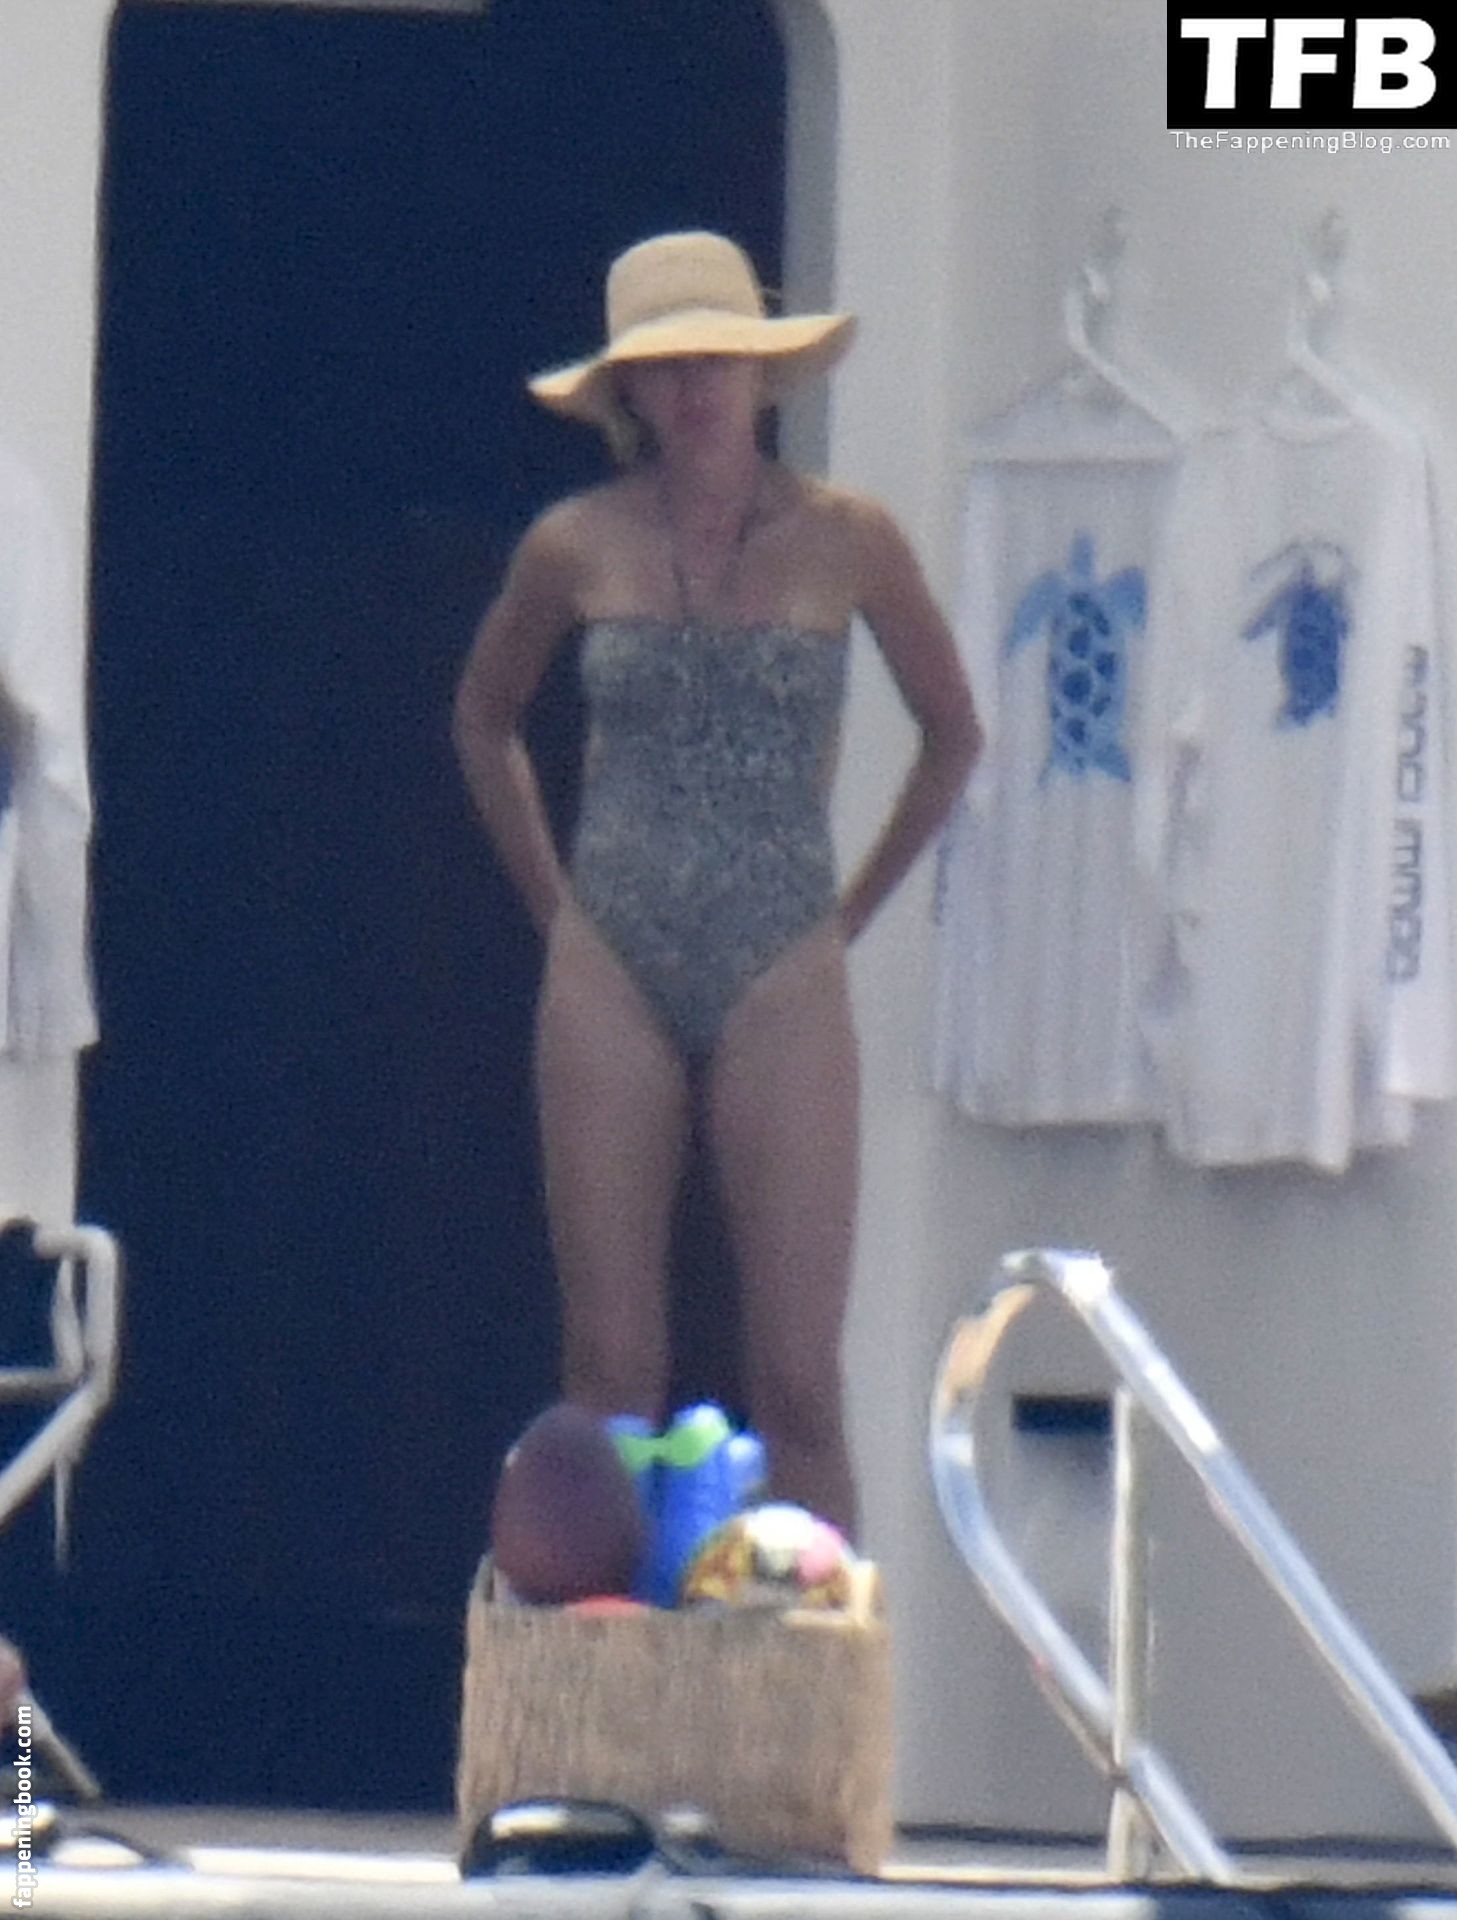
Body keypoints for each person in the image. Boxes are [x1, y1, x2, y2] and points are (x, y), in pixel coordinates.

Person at [453, 231, 980, 1534]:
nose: (695, 389)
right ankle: (604, 1649)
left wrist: (846, 914)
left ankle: (814, 1647)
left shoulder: (851, 540)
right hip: (612, 950)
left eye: (719, 361)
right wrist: (555, 908)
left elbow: (953, 734)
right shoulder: (572, 543)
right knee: (608, 1368)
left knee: (797, 1377)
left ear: (763, 375)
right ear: (628, 390)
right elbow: (483, 717)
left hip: (779, 952)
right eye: (666, 366)